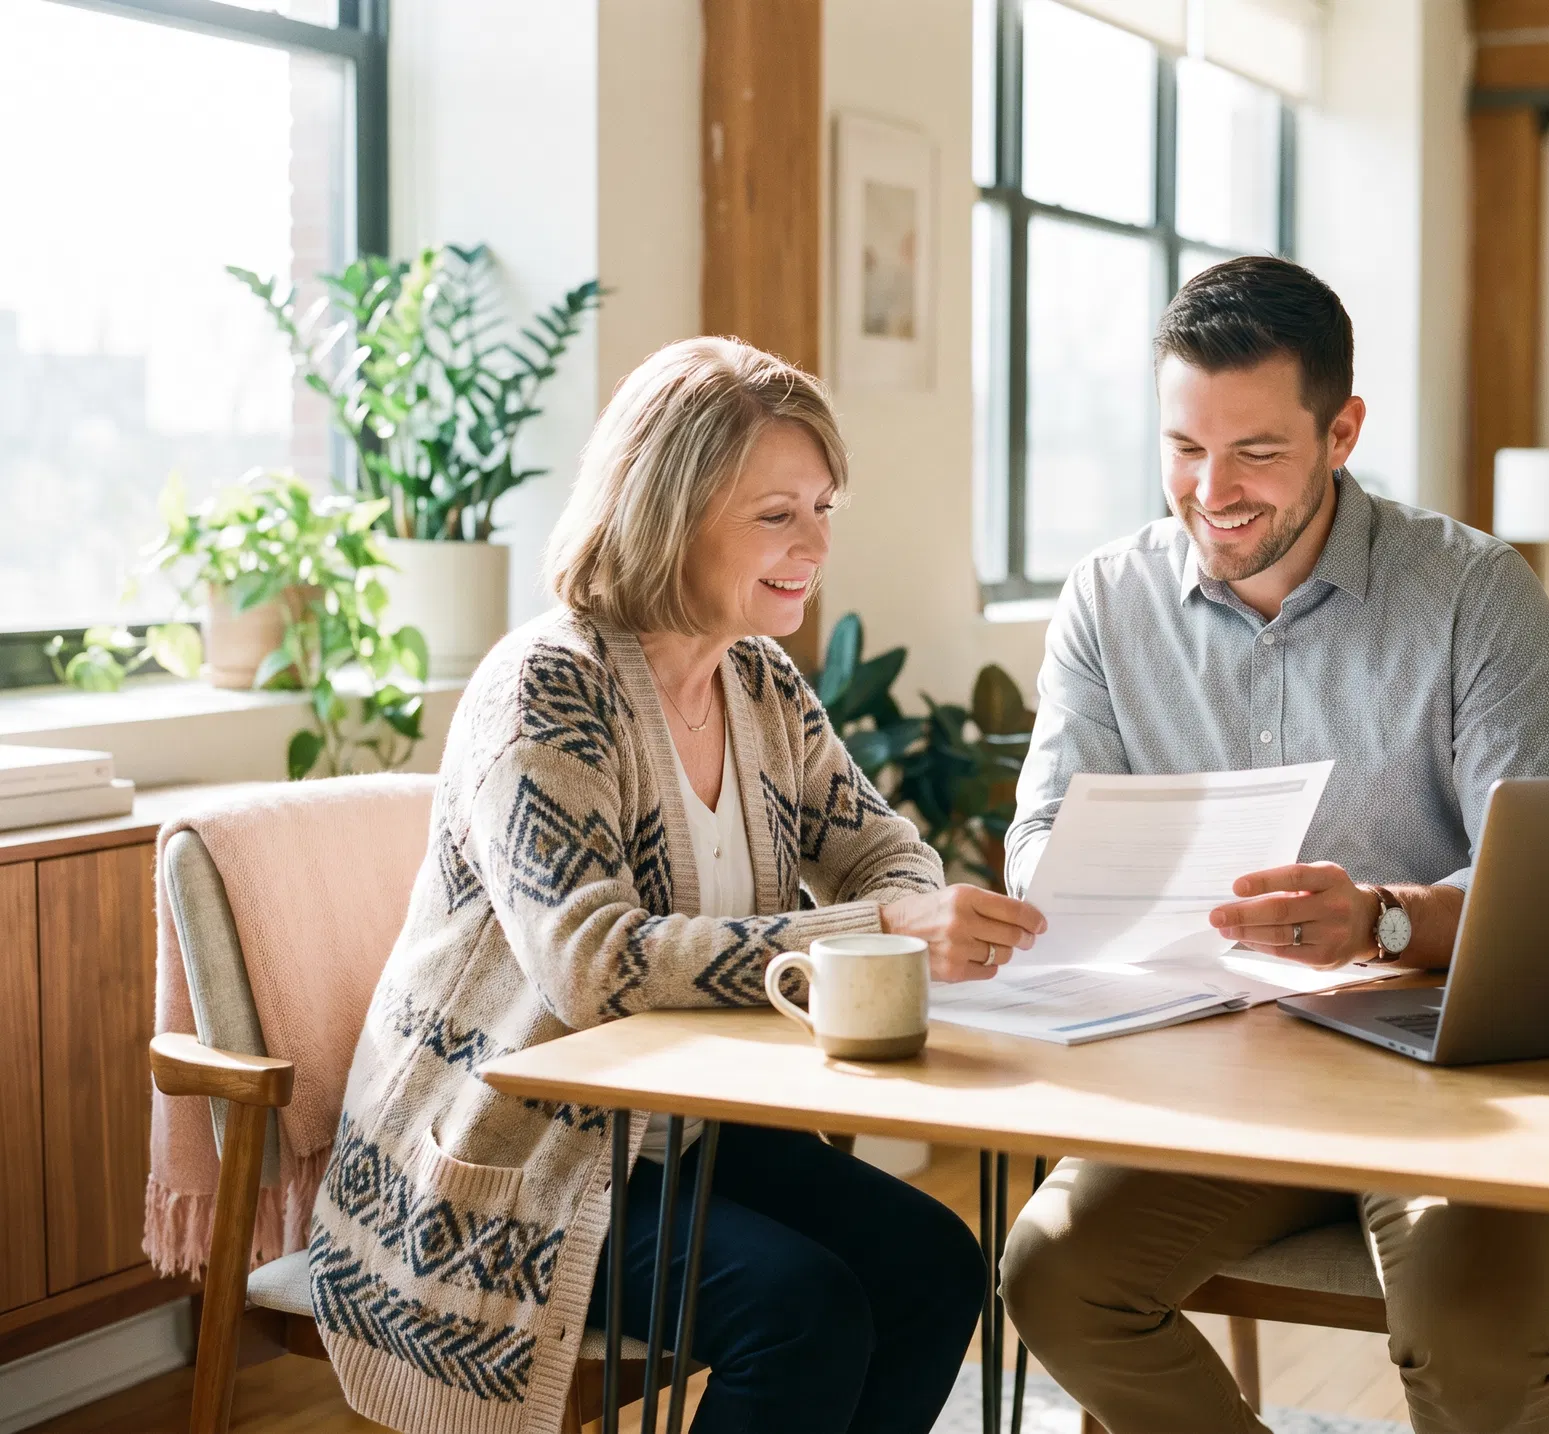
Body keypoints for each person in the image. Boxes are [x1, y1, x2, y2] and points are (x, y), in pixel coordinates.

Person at [311, 337, 1047, 1434]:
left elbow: (884, 850)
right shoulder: (547, 690)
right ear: (667, 512)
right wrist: (872, 931)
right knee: (803, 1312)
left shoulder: (760, 681)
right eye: (775, 514)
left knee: (937, 1263)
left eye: (823, 507)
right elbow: (590, 965)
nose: (815, 545)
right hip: (510, 1156)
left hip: (682, 1130)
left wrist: (897, 905)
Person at [998, 257, 1549, 1434]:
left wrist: (1385, 917)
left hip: (1453, 1070)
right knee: (1053, 1277)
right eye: (1182, 448)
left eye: (1256, 453)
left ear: (1342, 431)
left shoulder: (1475, 592)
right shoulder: (1107, 600)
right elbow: (1041, 837)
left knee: (1473, 1349)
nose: (1211, 491)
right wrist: (1094, 882)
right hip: (1219, 1062)